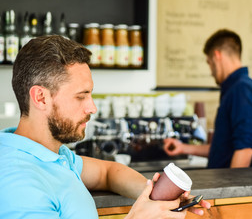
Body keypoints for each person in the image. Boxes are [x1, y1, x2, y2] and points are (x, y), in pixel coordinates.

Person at [0, 35, 210, 219]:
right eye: (81, 97)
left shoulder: (53, 155)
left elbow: (108, 173)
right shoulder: (18, 183)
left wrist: (157, 197)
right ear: (41, 98)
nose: (92, 108)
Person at [164, 29, 252, 168]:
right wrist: (183, 148)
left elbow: (245, 150)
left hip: (232, 185)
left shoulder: (242, 89)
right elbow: (222, 149)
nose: (211, 71)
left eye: (209, 62)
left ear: (216, 55)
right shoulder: (236, 89)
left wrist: (231, 189)